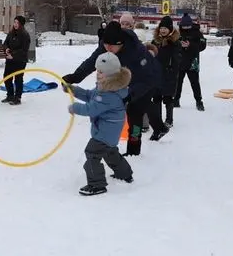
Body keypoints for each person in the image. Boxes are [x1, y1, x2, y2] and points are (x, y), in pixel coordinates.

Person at [62, 20, 162, 157]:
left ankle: (134, 151)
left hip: (145, 82)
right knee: (133, 109)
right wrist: (75, 77)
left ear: (120, 44)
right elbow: (92, 62)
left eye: (111, 46)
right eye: (105, 44)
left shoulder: (136, 52)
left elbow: (148, 78)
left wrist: (131, 94)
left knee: (135, 116)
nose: (107, 48)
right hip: (124, 82)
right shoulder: (107, 45)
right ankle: (159, 127)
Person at [66, 52, 134, 196]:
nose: (98, 74)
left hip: (106, 130)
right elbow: (91, 96)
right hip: (109, 129)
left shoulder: (109, 94)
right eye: (97, 70)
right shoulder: (106, 86)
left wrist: (74, 108)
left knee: (92, 153)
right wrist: (73, 90)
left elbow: (91, 109)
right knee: (110, 152)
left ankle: (97, 185)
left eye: (101, 72)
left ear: (111, 74)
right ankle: (125, 174)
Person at [149, 15, 180, 131]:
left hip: (169, 74)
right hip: (156, 74)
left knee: (168, 98)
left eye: (165, 28)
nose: (163, 30)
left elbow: (177, 59)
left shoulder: (175, 43)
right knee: (156, 98)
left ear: (170, 29)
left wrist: (172, 71)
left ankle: (169, 120)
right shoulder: (155, 41)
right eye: (161, 28)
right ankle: (158, 120)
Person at [175, 14, 207, 111]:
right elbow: (172, 44)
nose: (185, 28)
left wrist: (190, 45)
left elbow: (202, 45)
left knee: (195, 83)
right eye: (184, 26)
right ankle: (176, 100)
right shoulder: (177, 32)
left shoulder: (197, 32)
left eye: (187, 26)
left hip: (193, 62)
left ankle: (199, 101)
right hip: (180, 61)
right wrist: (179, 45)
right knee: (177, 82)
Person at [1, 15, 31, 105]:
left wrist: (13, 55)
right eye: (14, 22)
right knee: (7, 77)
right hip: (10, 60)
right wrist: (6, 49)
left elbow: (24, 50)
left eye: (17, 22)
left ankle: (17, 98)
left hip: (20, 61)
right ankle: (10, 95)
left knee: (18, 79)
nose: (15, 24)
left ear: (21, 24)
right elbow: (5, 43)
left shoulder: (25, 35)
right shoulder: (11, 33)